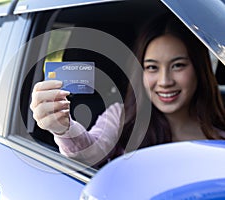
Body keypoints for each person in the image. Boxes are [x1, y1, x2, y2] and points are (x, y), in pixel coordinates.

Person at [30, 13, 225, 167]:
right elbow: (89, 152)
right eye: (152, 67)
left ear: (199, 68)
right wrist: (63, 129)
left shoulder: (220, 128)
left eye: (178, 65)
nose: (165, 81)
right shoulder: (121, 117)